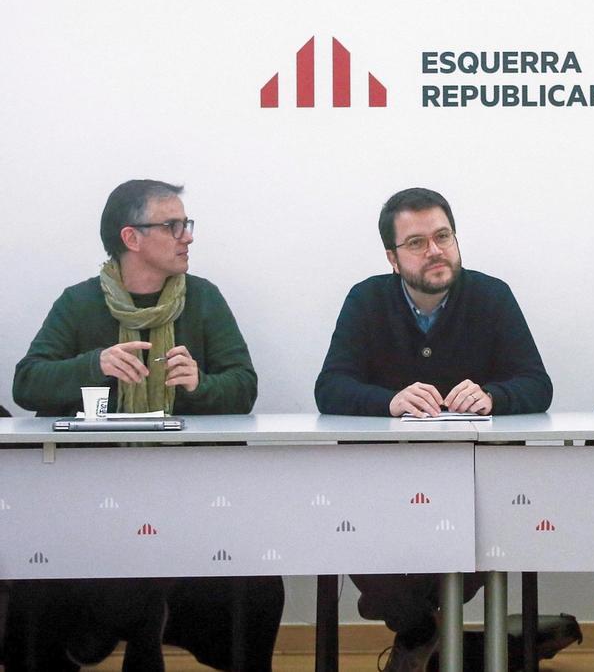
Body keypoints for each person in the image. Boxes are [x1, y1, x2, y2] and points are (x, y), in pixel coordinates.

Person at [9, 179, 283, 671]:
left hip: (190, 496)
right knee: (37, 573)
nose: (187, 236)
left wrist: (201, 385)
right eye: (173, 225)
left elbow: (244, 387)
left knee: (260, 584)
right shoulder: (79, 303)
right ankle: (138, 624)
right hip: (92, 500)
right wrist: (94, 366)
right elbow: (27, 385)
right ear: (131, 237)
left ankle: (148, 623)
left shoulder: (203, 299)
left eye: (186, 224)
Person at [314, 186, 552, 671]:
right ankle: (426, 631)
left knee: (470, 549)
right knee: (359, 541)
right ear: (392, 258)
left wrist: (494, 398)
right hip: (381, 481)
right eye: (417, 243)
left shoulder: (491, 295)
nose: (436, 251)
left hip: (472, 478)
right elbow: (330, 387)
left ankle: (422, 636)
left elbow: (537, 384)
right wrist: (389, 402)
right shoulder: (366, 300)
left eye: (443, 236)